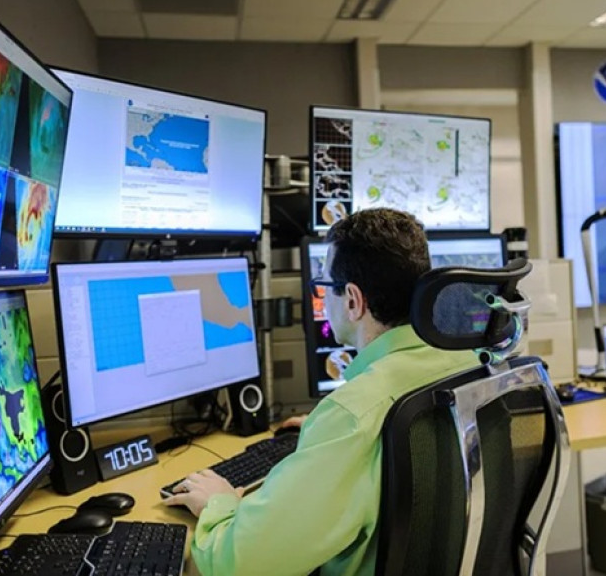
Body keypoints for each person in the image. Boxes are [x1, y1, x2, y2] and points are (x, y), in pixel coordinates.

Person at [163, 208, 475, 575]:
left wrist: (220, 503)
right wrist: (327, 429)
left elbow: (243, 565)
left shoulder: (352, 417)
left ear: (354, 301)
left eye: (325, 285)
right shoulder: (467, 363)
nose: (323, 297)